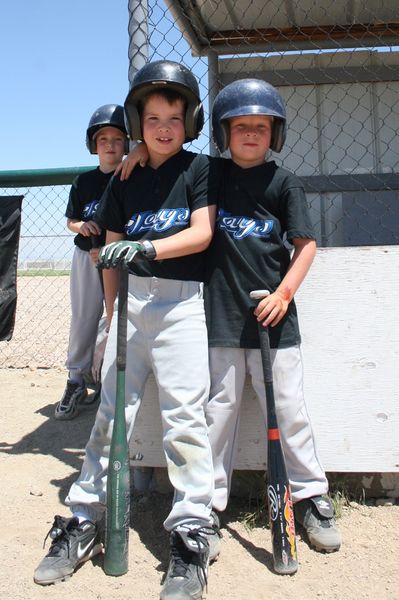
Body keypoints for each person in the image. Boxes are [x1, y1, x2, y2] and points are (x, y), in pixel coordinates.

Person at [34, 60, 220, 600]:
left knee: (186, 416)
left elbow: (203, 232)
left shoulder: (198, 169)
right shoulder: (124, 177)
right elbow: (110, 252)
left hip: (183, 305)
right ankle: (85, 516)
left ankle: (190, 534)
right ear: (139, 121)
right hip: (133, 305)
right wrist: (114, 312)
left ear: (190, 121)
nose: (164, 127)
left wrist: (151, 248)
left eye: (175, 117)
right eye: (153, 117)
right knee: (112, 415)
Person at [205, 78, 341, 554]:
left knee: (288, 411)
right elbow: (171, 161)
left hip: (274, 321)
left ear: (274, 133)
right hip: (220, 317)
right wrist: (138, 152)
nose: (249, 133)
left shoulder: (284, 184)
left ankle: (308, 497)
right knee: (216, 414)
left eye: (260, 127)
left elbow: (306, 246)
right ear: (225, 133)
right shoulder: (211, 177)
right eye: (240, 126)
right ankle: (207, 505)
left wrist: (284, 294)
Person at [54, 104, 129, 420]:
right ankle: (76, 380)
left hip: (120, 257)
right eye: (103, 140)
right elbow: (71, 220)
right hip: (87, 255)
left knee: (118, 316)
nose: (110, 146)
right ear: (94, 145)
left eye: (116, 139)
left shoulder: (131, 174)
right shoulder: (84, 182)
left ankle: (106, 376)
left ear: (127, 143)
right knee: (85, 317)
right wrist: (81, 227)